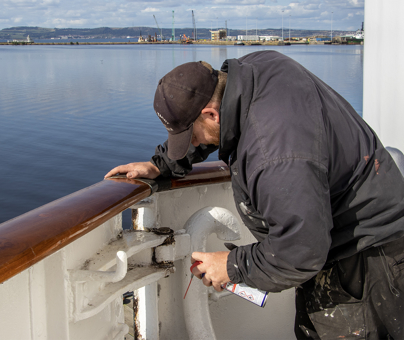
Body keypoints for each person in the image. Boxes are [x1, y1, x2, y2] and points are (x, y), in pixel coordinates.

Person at [105, 51, 404, 339]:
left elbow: (301, 251)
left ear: (211, 114)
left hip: (367, 253)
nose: (193, 143)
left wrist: (231, 266)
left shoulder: (276, 155)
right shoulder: (255, 70)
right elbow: (225, 123)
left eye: (191, 135)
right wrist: (162, 165)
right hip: (350, 225)